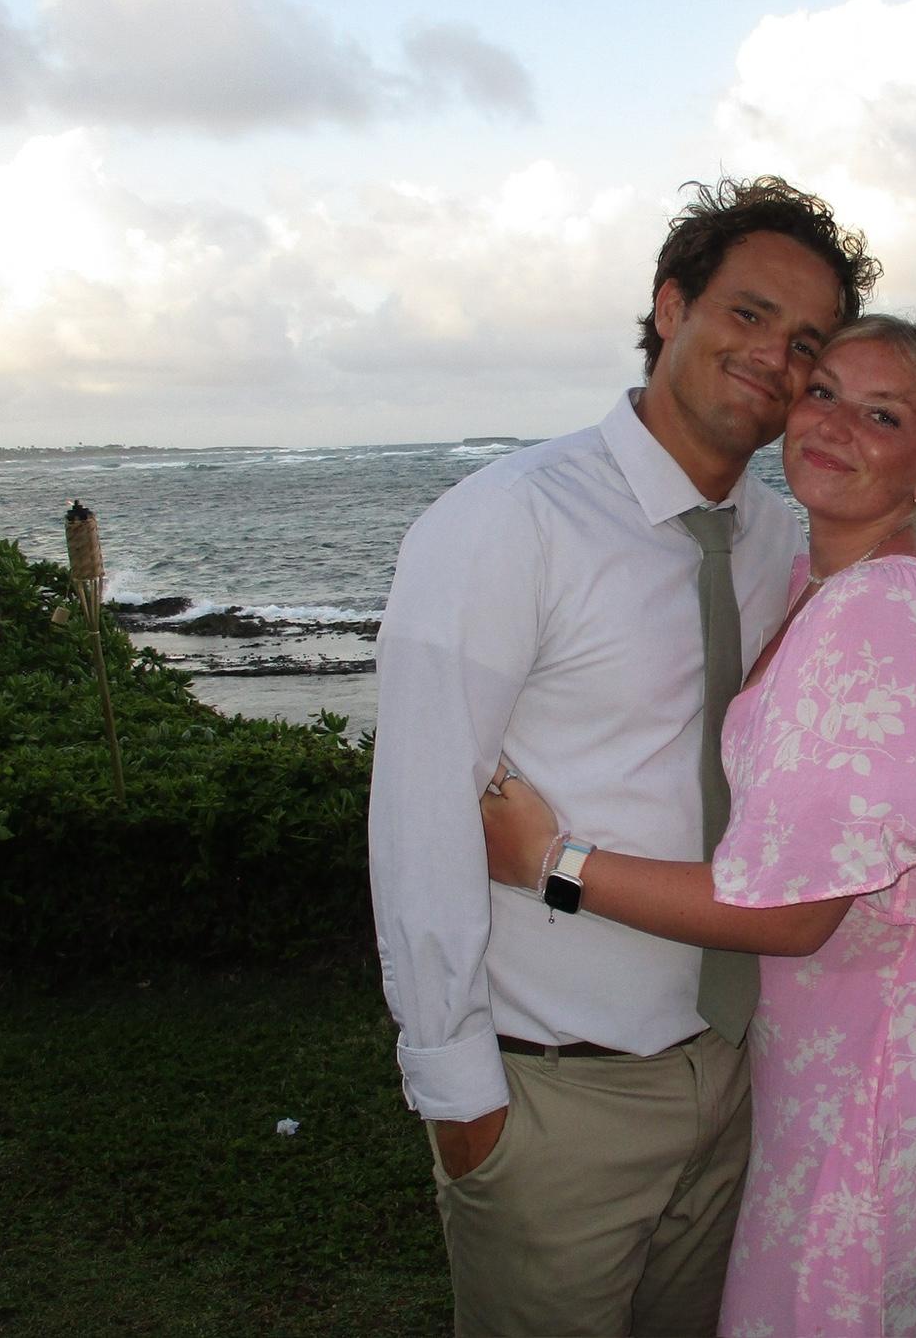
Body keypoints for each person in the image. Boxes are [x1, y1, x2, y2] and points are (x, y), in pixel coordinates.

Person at [482, 316, 916, 1337]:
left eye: (883, 415)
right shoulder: (823, 582)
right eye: (823, 393)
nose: (836, 426)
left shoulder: (874, 613)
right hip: (855, 1067)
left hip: (879, 1090)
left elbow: (794, 914)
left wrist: (551, 862)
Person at [368, 175, 880, 1338]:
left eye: (808, 342)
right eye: (748, 313)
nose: (775, 357)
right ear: (670, 307)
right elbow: (419, 812)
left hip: (733, 1074)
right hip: (555, 1095)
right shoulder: (509, 521)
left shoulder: (775, 541)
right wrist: (459, 1094)